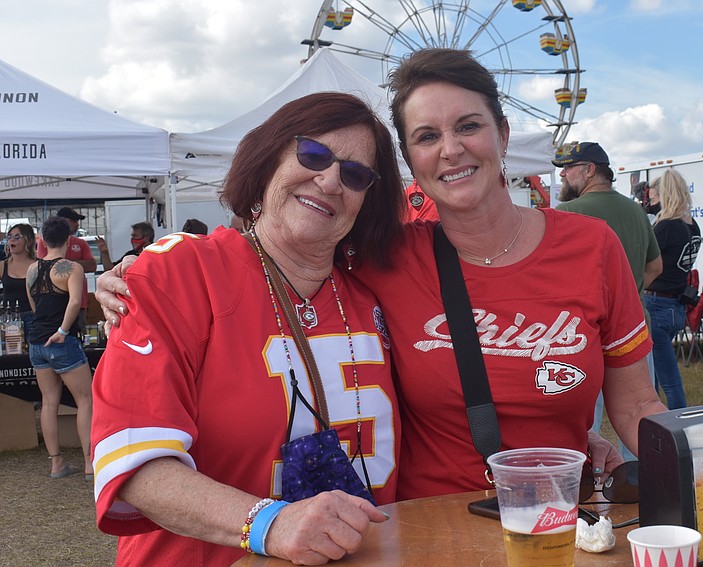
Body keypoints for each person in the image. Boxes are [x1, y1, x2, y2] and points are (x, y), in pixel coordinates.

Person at [97, 49, 666, 503]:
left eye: (469, 126)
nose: (451, 149)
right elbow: (278, 246)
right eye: (426, 136)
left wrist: (693, 471)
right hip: (425, 530)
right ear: (411, 161)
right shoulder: (387, 257)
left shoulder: (590, 247)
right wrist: (136, 273)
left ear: (503, 134)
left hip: (556, 518)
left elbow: (637, 404)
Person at [90, 93, 404, 566]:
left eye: (355, 174)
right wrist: (271, 524)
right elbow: (135, 462)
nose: (330, 180)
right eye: (313, 154)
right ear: (269, 157)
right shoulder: (181, 273)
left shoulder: (377, 292)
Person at [554, 140, 662, 460]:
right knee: (640, 414)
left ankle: (589, 480)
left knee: (586, 426)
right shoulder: (636, 210)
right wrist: (626, 297)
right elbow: (655, 266)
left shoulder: (566, 213)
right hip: (635, 330)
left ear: (590, 170)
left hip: (582, 333)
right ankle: (646, 477)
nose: (562, 175)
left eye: (568, 168)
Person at [26, 216, 94, 480]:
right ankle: (89, 463)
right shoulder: (72, 268)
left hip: (37, 342)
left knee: (48, 402)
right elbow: (75, 302)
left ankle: (57, 463)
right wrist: (63, 331)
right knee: (84, 400)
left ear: (43, 240)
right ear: (69, 239)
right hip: (61, 341)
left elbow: (35, 306)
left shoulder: (32, 269)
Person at [642, 170, 701, 409]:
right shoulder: (692, 226)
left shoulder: (666, 226)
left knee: (667, 380)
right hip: (676, 304)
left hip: (658, 303)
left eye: (655, 195)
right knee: (658, 374)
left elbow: (644, 257)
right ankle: (661, 421)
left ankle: (678, 422)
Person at [37, 207, 96, 332]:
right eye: (73, 221)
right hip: (52, 302)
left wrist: (64, 263)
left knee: (78, 333)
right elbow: (44, 266)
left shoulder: (81, 243)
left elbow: (92, 265)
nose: (77, 224)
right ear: (62, 221)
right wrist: (72, 264)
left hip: (79, 302)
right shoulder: (44, 242)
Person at [3, 223, 38, 340]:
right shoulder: (3, 266)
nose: (12, 240)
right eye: (9, 236)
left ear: (29, 240)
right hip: (9, 318)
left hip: (33, 317)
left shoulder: (39, 265)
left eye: (17, 237)